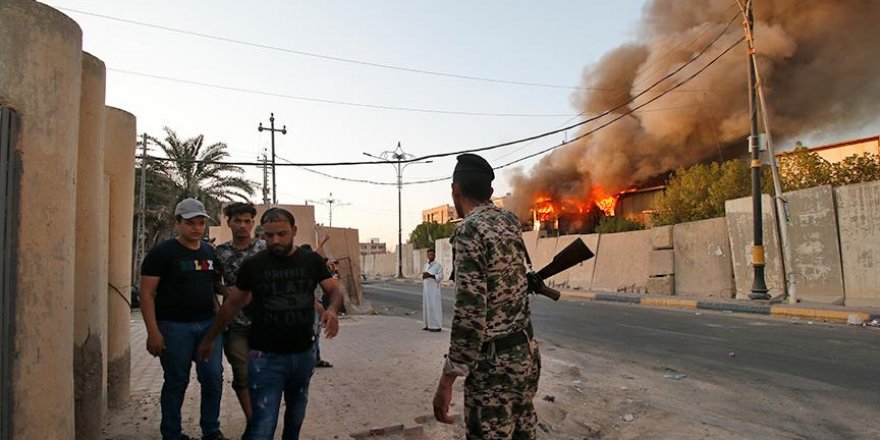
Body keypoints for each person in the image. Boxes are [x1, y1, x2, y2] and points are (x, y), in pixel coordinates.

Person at [197, 208, 344, 440]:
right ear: (263, 234)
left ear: (294, 231)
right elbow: (232, 304)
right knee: (263, 425)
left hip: (303, 355)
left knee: (295, 418)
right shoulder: (254, 265)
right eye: (269, 235)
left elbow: (334, 290)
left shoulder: (310, 260)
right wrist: (210, 338)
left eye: (282, 234)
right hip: (265, 358)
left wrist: (333, 310)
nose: (275, 241)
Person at [432, 154, 541, 439]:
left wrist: (447, 379)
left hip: (494, 371)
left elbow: (470, 313)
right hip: (526, 357)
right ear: (490, 193)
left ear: (455, 190)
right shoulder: (510, 222)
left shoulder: (469, 230)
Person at [139, 198, 229, 440]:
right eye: (190, 222)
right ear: (177, 222)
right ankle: (172, 433)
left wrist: (223, 304)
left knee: (212, 379)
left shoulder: (209, 251)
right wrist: (153, 332)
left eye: (200, 222)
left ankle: (211, 430)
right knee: (176, 381)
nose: (196, 228)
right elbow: (146, 294)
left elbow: (213, 285)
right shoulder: (162, 253)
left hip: (208, 328)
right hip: (174, 328)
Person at [214, 203, 266, 428]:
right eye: (238, 221)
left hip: (266, 323)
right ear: (229, 223)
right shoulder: (221, 252)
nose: (243, 226)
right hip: (235, 323)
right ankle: (253, 421)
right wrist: (225, 291)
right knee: (242, 373)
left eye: (247, 221)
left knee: (265, 374)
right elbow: (214, 282)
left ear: (253, 223)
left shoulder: (264, 249)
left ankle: (264, 416)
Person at [421, 248, 443, 332]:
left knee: (434, 307)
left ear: (435, 255)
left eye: (432, 254)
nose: (430, 256)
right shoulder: (425, 265)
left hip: (434, 290)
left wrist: (430, 275)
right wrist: (424, 276)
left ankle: (436, 326)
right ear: (427, 256)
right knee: (427, 307)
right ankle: (427, 324)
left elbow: (440, 276)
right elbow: (423, 275)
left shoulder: (438, 265)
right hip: (426, 289)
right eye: (429, 254)